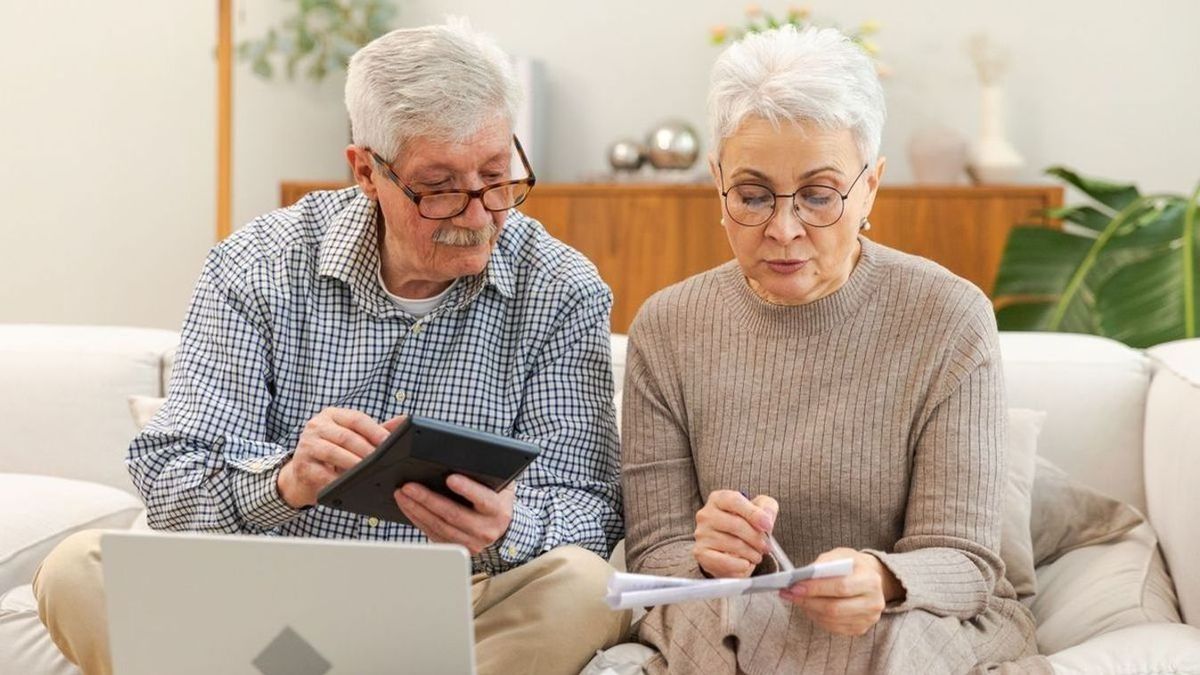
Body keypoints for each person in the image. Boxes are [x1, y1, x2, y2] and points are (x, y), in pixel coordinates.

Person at [34, 20, 629, 675]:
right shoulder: (255, 266)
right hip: (269, 590)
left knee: (583, 587)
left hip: (462, 602)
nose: (477, 213)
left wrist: (504, 526)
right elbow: (173, 480)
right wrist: (286, 481)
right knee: (73, 570)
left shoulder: (561, 287)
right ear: (366, 171)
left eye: (494, 177)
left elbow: (593, 508)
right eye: (439, 188)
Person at [620, 26, 1048, 674]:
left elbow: (962, 560)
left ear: (870, 187)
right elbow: (656, 554)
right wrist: (705, 554)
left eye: (819, 196)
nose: (784, 229)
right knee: (715, 628)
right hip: (735, 613)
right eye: (753, 195)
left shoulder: (948, 317)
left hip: (906, 616)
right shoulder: (668, 327)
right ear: (718, 183)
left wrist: (881, 577)